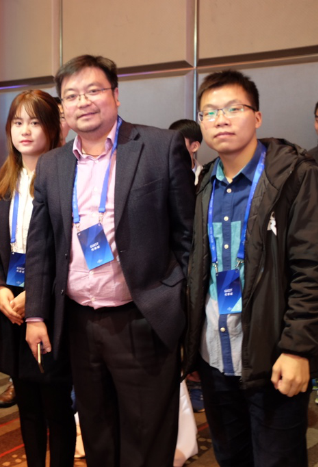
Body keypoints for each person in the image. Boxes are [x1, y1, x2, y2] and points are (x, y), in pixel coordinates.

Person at [24, 54, 195, 467]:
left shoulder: (158, 147)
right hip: (79, 322)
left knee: (147, 438)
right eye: (71, 95)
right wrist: (36, 315)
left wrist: (176, 304)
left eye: (93, 90)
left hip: (141, 317)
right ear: (62, 107)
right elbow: (41, 246)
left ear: (116, 95)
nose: (82, 102)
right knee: (98, 433)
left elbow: (187, 236)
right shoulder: (52, 164)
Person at [184, 70, 318, 467]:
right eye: (209, 112)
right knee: (231, 457)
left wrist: (297, 348)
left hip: (273, 356)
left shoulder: (295, 177)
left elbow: (310, 268)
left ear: (256, 117)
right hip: (215, 356)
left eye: (233, 108)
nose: (220, 119)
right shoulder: (203, 184)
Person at [0, 89, 75, 466]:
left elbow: (71, 250)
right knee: (26, 403)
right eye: (18, 122)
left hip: (53, 300)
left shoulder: (67, 177)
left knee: (56, 402)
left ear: (53, 128)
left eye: (35, 122)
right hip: (12, 298)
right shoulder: (4, 181)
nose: (24, 131)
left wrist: (37, 295)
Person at [169, 119, 204, 184]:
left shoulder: (206, 177)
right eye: (170, 140)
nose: (172, 145)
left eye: (178, 140)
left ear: (194, 146)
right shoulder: (162, 175)